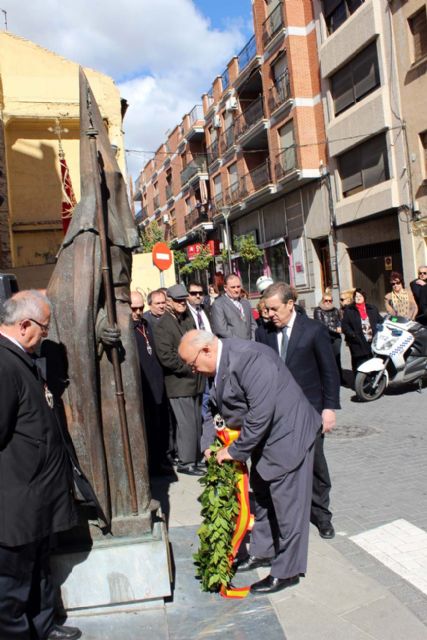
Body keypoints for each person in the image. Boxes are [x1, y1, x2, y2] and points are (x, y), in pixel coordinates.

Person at [178, 330, 320, 595]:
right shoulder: (216, 366)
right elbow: (212, 410)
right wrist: (210, 445)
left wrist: (236, 451)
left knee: (289, 508)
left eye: (192, 364)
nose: (193, 370)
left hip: (287, 436)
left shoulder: (250, 359)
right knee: (263, 492)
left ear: (206, 350)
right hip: (263, 440)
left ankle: (287, 571)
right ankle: (263, 551)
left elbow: (260, 413)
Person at [0, 291, 81, 640]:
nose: (45, 335)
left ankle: (45, 627)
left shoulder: (20, 357)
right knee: (12, 584)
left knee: (39, 571)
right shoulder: (3, 364)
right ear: (24, 325)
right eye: (44, 329)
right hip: (16, 498)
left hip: (36, 496)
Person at [256, 281, 340, 540]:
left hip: (309, 411)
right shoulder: (264, 333)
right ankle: (289, 515)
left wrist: (328, 409)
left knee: (315, 467)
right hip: (276, 414)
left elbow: (329, 372)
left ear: (290, 304)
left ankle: (322, 516)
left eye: (274, 309)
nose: (269, 315)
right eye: (267, 310)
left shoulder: (313, 330)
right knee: (282, 467)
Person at [151, 284, 205, 476]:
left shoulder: (187, 318)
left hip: (196, 379)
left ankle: (196, 458)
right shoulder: (163, 325)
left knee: (197, 421)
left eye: (184, 299)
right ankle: (186, 461)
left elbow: (197, 341)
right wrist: (187, 368)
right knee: (186, 423)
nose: (182, 303)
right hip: (179, 382)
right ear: (169, 302)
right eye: (178, 300)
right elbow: (166, 356)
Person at [130, 291, 172, 477]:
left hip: (157, 383)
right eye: (134, 309)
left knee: (160, 425)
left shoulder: (145, 325)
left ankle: (160, 461)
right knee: (148, 428)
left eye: (141, 308)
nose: (138, 312)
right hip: (142, 386)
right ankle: (151, 466)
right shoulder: (127, 329)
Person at [341, 288, 383, 373]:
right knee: (359, 362)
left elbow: (380, 320)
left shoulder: (372, 309)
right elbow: (345, 325)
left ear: (364, 297)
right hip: (357, 341)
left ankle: (372, 380)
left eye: (360, 296)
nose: (358, 298)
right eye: (356, 296)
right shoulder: (349, 310)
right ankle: (359, 382)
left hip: (372, 339)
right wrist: (352, 335)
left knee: (372, 360)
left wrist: (380, 330)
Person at [210, 274, 256, 340]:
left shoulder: (245, 303)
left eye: (238, 286)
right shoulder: (218, 304)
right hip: (232, 346)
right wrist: (240, 343)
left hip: (250, 345)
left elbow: (253, 324)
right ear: (225, 288)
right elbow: (222, 330)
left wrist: (252, 341)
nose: (236, 290)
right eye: (233, 287)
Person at [313, 288, 343, 381]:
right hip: (325, 338)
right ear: (322, 300)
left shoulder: (335, 310)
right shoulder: (318, 310)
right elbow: (322, 325)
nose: (328, 302)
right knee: (326, 359)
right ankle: (327, 378)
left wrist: (339, 327)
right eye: (326, 300)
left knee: (337, 358)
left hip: (336, 338)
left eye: (330, 300)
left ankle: (340, 378)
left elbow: (339, 320)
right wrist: (336, 329)